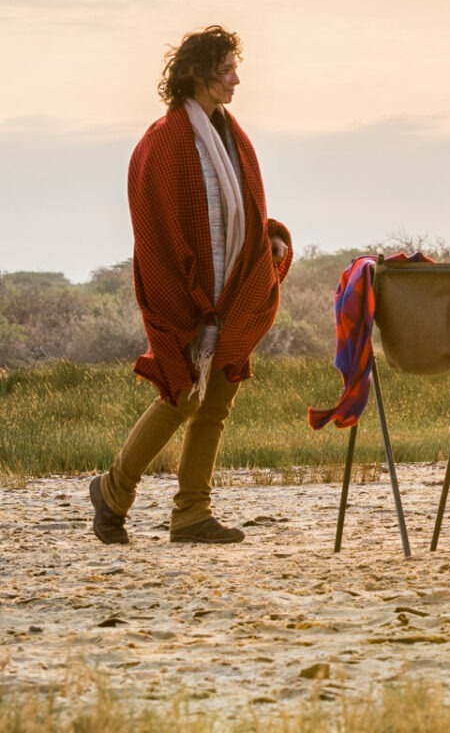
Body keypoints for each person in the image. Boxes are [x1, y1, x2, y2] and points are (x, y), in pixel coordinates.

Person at [88, 27, 293, 545]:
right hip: (189, 297)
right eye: (227, 70)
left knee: (216, 404)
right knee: (180, 396)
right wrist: (187, 301)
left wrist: (266, 240)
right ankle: (114, 490)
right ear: (199, 75)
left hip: (232, 291)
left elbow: (245, 213)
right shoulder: (163, 142)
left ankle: (191, 514)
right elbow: (153, 233)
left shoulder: (233, 135)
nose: (236, 79)